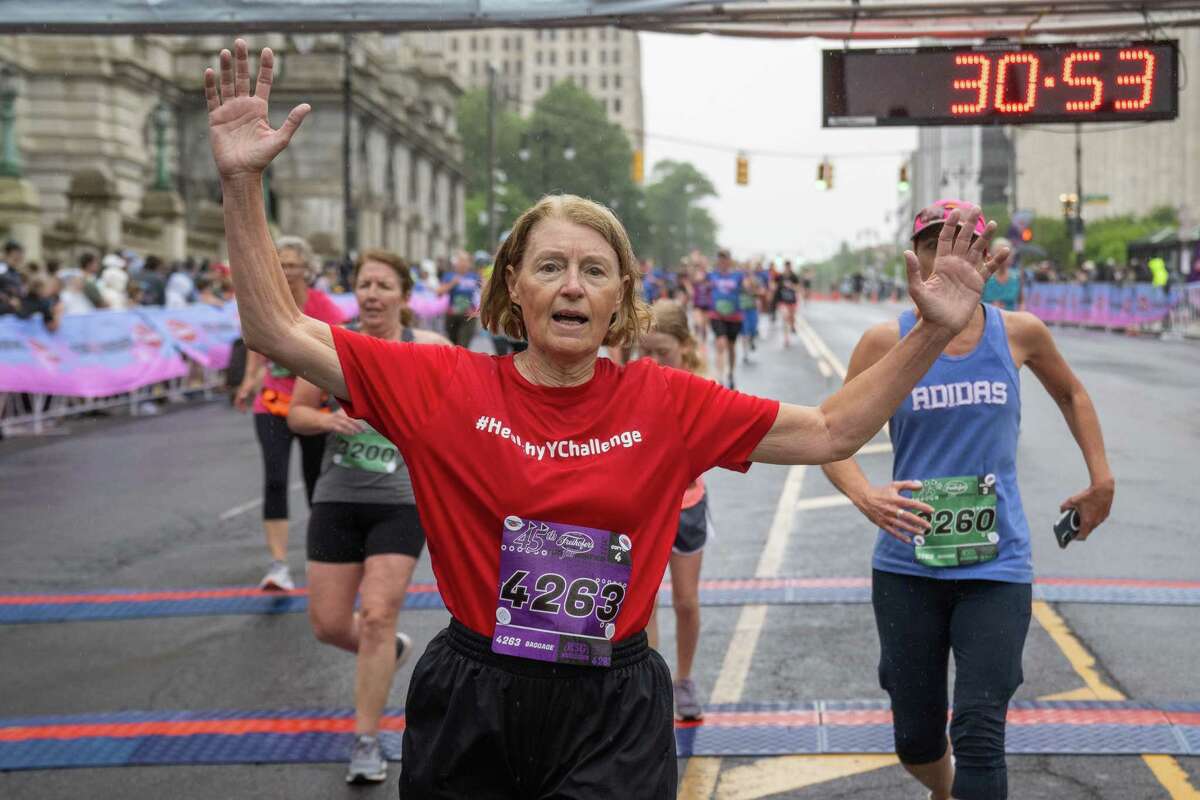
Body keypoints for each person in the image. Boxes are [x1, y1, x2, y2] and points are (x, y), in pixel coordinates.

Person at [205, 41, 1004, 796]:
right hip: (473, 692)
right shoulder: (439, 382)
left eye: (595, 271)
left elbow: (833, 430)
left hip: (613, 708)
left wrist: (933, 331)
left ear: (622, 295)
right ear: (514, 285)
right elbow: (277, 328)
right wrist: (242, 184)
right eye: (551, 267)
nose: (573, 287)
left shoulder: (668, 402)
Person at [820, 199, 1114, 800]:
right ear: (915, 255)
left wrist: (1101, 478)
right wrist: (866, 496)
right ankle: (942, 787)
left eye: (959, 242)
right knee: (917, 740)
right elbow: (828, 437)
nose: (942, 254)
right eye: (931, 242)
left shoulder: (1020, 333)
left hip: (997, 564)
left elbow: (1072, 394)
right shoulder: (884, 342)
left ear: (983, 256)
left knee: (980, 730)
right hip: (907, 566)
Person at [288, 249, 448, 783]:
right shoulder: (333, 344)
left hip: (400, 500)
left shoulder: (430, 350)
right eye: (364, 285)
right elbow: (297, 413)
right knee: (330, 624)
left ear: (404, 295)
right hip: (337, 496)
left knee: (377, 615)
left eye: (383, 285)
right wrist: (329, 421)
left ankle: (365, 739)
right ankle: (389, 651)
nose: (372, 294)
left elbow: (459, 415)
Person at [233, 234, 347, 591]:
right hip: (270, 403)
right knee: (276, 480)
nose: (286, 271)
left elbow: (342, 348)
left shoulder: (323, 307)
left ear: (307, 269)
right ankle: (278, 565)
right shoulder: (267, 301)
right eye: (280, 264)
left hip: (313, 405)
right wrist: (249, 378)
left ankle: (320, 561)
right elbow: (257, 340)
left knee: (316, 483)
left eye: (293, 265)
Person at [640, 299, 713, 721]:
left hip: (687, 504)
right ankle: (651, 683)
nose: (650, 361)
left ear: (684, 348)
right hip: (643, 508)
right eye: (642, 351)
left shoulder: (700, 388)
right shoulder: (630, 384)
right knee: (643, 601)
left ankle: (683, 679)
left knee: (685, 601)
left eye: (661, 352)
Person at [707, 248, 745, 389]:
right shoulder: (712, 276)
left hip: (734, 316)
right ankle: (720, 378)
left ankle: (731, 373)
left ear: (729, 260)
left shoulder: (738, 276)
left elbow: (749, 287)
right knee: (720, 343)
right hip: (716, 315)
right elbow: (697, 280)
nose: (722, 261)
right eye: (720, 258)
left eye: (725, 258)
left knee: (731, 347)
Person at [438, 249, 480, 348]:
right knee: (452, 344)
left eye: (466, 261)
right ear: (455, 263)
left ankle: (461, 362)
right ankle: (453, 362)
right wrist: (452, 284)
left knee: (463, 344)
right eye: (461, 261)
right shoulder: (449, 276)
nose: (463, 264)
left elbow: (483, 293)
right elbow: (439, 292)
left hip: (468, 315)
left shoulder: (474, 277)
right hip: (452, 315)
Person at [981, 240, 1023, 311]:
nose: (1002, 257)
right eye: (998, 253)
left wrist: (1021, 314)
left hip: (1010, 319)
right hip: (987, 318)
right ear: (992, 255)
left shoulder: (1017, 276)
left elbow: (1021, 301)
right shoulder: (985, 275)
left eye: (1006, 255)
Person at [774, 261, 799, 347]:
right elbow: (774, 284)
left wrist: (791, 286)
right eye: (786, 267)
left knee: (791, 317)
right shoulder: (780, 276)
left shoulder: (794, 276)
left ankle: (792, 326)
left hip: (792, 301)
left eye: (788, 267)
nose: (787, 269)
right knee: (785, 318)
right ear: (784, 267)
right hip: (783, 301)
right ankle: (786, 339)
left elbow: (798, 287)